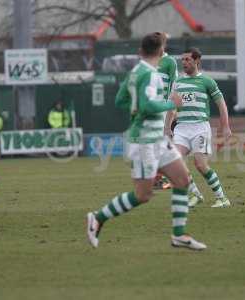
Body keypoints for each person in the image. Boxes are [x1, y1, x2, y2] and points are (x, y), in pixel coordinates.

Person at [86, 32, 206, 251]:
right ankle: (97, 217)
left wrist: (136, 111)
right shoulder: (151, 75)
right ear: (161, 52)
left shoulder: (136, 72)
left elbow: (120, 99)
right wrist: (171, 104)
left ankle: (179, 235)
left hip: (157, 139)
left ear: (141, 51)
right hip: (143, 141)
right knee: (143, 195)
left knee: (181, 180)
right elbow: (149, 106)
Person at [165, 47, 232, 208]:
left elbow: (221, 104)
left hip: (200, 128)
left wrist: (226, 126)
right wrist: (167, 126)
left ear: (197, 61)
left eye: (188, 59)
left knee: (200, 165)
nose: (184, 63)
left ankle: (222, 198)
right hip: (181, 128)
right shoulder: (178, 82)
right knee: (174, 163)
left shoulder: (207, 81)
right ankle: (195, 194)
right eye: (183, 60)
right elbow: (172, 106)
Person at [154, 32, 179, 190]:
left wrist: (171, 110)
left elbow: (174, 87)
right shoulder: (148, 61)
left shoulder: (169, 62)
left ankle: (163, 178)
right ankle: (157, 178)